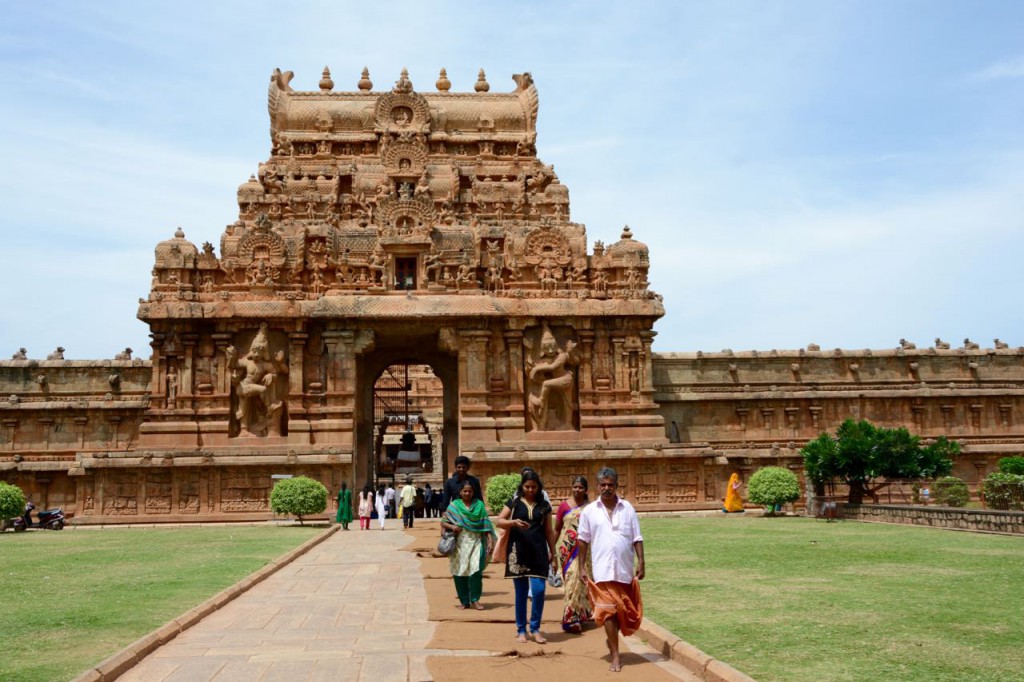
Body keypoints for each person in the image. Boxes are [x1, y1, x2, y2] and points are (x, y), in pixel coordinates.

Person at [577, 467, 645, 673]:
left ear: (616, 486)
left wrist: (641, 560)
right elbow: (582, 540)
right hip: (602, 570)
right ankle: (616, 655)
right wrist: (581, 566)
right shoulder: (589, 511)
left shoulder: (628, 508)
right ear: (597, 486)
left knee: (623, 612)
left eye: (610, 485)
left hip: (624, 570)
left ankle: (612, 639)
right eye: (603, 485)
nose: (607, 488)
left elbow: (637, 537)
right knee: (608, 612)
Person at [496, 469, 556, 644]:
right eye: (527, 486)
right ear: (522, 486)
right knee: (521, 593)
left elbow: (549, 531)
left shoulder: (544, 506)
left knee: (538, 591)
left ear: (539, 487)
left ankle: (535, 628)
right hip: (518, 551)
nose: (531, 490)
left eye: (534, 487)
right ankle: (521, 629)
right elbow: (499, 520)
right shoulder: (514, 501)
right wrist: (513, 523)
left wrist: (554, 552)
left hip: (538, 552)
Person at [441, 480, 496, 610]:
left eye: (469, 491)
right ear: (460, 492)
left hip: (476, 541)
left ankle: (475, 599)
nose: (467, 493)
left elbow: (486, 524)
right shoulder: (454, 505)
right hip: (459, 544)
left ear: (473, 492)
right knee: (459, 571)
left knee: (476, 570)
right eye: (464, 491)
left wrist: (490, 541)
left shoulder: (479, 505)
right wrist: (452, 526)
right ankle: (464, 601)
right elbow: (443, 522)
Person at [555, 476, 593, 633]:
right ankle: (569, 619)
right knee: (571, 583)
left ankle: (580, 615)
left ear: (586, 490)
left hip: (586, 550)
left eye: (580, 487)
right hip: (567, 550)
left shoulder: (591, 507)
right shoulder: (564, 506)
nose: (577, 490)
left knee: (583, 583)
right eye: (575, 487)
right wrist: (551, 548)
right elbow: (557, 528)